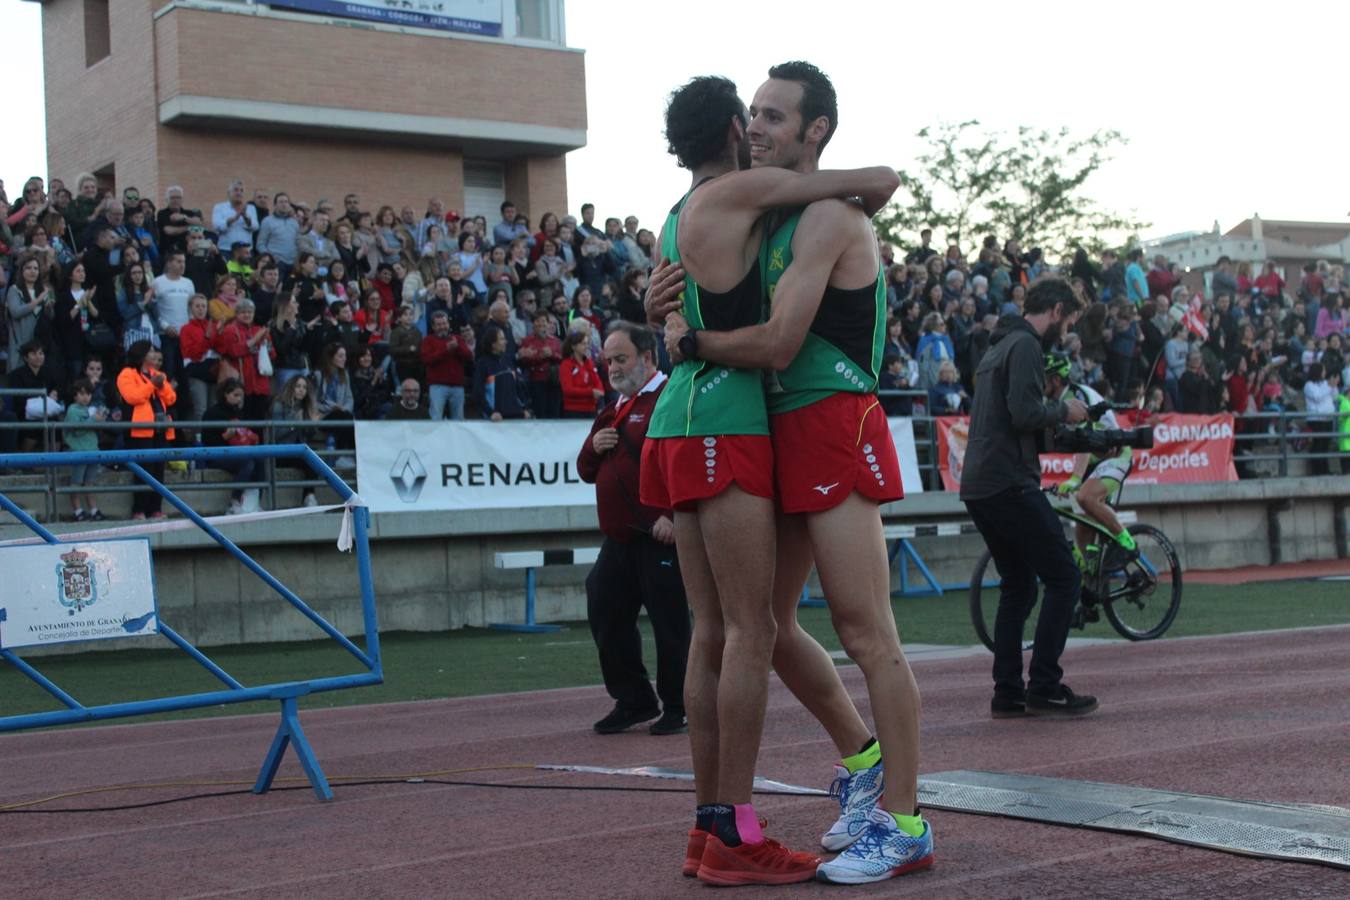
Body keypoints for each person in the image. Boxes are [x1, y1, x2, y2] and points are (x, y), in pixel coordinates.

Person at [640, 72, 912, 885]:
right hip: (744, 424)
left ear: (815, 129)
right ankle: (746, 817)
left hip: (799, 421)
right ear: (728, 126)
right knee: (751, 628)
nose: (758, 127)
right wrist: (673, 325)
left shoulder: (800, 210)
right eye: (751, 115)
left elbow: (774, 340)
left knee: (815, 629)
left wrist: (677, 334)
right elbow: (727, 322)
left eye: (774, 115)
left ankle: (897, 814)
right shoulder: (754, 204)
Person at [960, 278, 1093, 717]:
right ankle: (1045, 685)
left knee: (1018, 585)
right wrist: (1064, 411)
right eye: (1068, 320)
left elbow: (1010, 419)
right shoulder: (1026, 347)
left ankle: (1008, 691)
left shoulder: (998, 347)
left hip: (980, 484)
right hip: (1009, 481)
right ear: (1056, 310)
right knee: (1064, 576)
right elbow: (1024, 415)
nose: (1067, 330)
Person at [576, 323, 690, 736]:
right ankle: (635, 699)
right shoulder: (615, 406)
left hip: (658, 534)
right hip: (621, 536)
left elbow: (685, 460)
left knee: (670, 622)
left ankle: (679, 705)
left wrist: (673, 517)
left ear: (648, 357)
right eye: (608, 360)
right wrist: (593, 446)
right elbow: (586, 470)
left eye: (620, 359)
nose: (613, 368)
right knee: (603, 604)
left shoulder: (671, 396)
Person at [1043, 352, 1136, 572]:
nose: (1039, 382)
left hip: (1115, 455)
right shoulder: (1051, 400)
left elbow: (1084, 443)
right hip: (1094, 461)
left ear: (1056, 379)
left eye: (1043, 377)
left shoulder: (1076, 397)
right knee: (1084, 543)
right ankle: (1090, 595)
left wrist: (1075, 478)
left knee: (1085, 496)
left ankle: (1127, 544)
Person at [118, 340, 176, 520]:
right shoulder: (127, 374)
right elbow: (132, 397)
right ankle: (139, 510)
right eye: (150, 352)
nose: (154, 355)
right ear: (142, 355)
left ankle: (155, 509)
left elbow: (171, 398)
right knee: (144, 471)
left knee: (159, 470)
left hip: (160, 429)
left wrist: (160, 386)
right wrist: (152, 385)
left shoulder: (157, 374)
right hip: (140, 431)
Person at [202, 378, 262, 514]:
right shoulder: (212, 413)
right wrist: (225, 437)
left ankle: (255, 501)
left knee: (260, 460)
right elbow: (207, 441)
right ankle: (235, 501)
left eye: (241, 396)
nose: (239, 399)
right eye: (235, 395)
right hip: (217, 455)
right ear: (225, 394)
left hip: (240, 451)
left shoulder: (241, 413)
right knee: (247, 463)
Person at [213, 298, 275, 420]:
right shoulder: (230, 330)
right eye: (243, 312)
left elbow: (273, 354)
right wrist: (253, 342)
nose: (247, 315)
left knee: (260, 420)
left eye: (250, 312)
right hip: (241, 384)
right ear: (237, 314)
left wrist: (265, 347)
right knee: (243, 420)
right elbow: (232, 351)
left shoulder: (259, 329)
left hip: (261, 383)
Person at [271, 374, 322, 506]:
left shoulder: (305, 408)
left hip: (297, 450)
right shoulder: (279, 405)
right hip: (280, 451)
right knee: (310, 457)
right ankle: (308, 497)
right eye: (298, 386)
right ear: (291, 388)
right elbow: (275, 434)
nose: (301, 390)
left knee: (314, 456)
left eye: (304, 387)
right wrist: (294, 423)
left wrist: (312, 425)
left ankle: (309, 496)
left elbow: (307, 435)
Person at [63, 378, 105, 521]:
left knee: (89, 483)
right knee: (76, 482)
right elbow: (77, 430)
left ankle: (93, 510)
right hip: (79, 452)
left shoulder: (90, 410)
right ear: (75, 395)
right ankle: (78, 511)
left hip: (93, 450)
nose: (85, 397)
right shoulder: (72, 410)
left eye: (88, 394)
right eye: (81, 394)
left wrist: (100, 418)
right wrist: (94, 419)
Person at [420, 310, 475, 420]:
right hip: (437, 386)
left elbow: (469, 357)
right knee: (436, 418)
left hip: (457, 386)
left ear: (448, 324)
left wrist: (457, 348)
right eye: (439, 324)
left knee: (458, 419)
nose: (442, 327)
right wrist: (446, 349)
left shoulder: (457, 339)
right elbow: (426, 359)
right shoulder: (428, 340)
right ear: (433, 326)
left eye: (444, 323)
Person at [473, 327, 529, 420]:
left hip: (515, 416)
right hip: (495, 419)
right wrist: (490, 412)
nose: (506, 342)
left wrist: (524, 408)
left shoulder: (508, 360)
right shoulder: (482, 363)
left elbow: (518, 388)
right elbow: (478, 393)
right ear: (493, 344)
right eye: (502, 339)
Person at [560, 331, 603, 418]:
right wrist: (590, 392)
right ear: (573, 346)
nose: (587, 347)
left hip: (591, 409)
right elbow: (568, 390)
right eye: (583, 344)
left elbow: (598, 383)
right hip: (573, 410)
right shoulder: (566, 365)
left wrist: (598, 391)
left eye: (587, 344)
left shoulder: (589, 363)